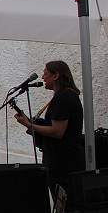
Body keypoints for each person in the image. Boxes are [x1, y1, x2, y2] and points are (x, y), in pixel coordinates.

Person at [14, 60, 86, 194]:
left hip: (63, 163)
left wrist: (29, 124)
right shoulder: (64, 96)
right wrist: (31, 123)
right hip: (63, 160)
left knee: (66, 207)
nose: (42, 77)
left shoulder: (63, 98)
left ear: (56, 75)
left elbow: (57, 131)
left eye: (45, 73)